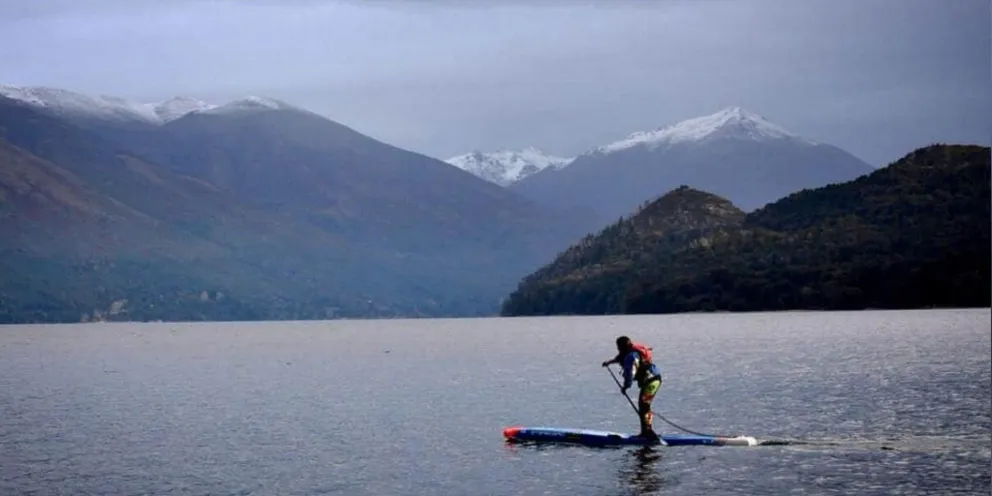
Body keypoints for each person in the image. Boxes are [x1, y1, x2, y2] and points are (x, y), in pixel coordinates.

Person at [602, 336, 662, 442]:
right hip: (651, 380)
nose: (618, 349)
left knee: (644, 405)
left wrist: (626, 386)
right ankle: (645, 432)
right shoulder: (628, 352)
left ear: (622, 347)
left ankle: (648, 433)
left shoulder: (631, 356)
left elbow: (630, 373)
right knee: (643, 406)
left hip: (652, 381)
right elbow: (619, 358)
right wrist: (609, 362)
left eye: (618, 347)